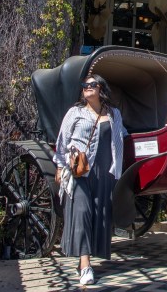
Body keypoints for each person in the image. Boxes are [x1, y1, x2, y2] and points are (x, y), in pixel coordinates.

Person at [53, 74, 128, 285]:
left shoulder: (114, 114)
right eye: (84, 85)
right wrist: (59, 165)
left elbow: (120, 137)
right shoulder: (75, 113)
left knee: (99, 214)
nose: (87, 87)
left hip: (104, 173)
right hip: (79, 172)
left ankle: (86, 258)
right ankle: (85, 265)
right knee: (82, 211)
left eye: (92, 84)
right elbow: (62, 140)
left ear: (101, 88)